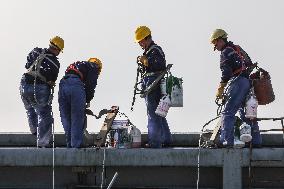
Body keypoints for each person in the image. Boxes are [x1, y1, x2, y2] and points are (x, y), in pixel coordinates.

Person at [210, 29, 262, 147]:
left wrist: (221, 88)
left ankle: (226, 141)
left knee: (228, 112)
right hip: (247, 82)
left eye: (215, 42)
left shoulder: (225, 52)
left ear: (221, 40)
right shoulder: (237, 49)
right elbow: (249, 64)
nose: (215, 46)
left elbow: (226, 73)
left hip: (237, 82)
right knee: (247, 113)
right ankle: (256, 142)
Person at [20, 36, 64, 147]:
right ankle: (43, 142)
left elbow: (27, 65)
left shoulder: (35, 51)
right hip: (39, 88)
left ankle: (34, 131)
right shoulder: (55, 63)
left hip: (24, 84)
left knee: (30, 109)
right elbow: (51, 80)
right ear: (57, 49)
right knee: (44, 114)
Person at [134, 25, 172, 148]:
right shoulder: (151, 51)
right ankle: (166, 140)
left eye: (140, 41)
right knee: (160, 113)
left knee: (153, 114)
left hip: (153, 84)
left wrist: (146, 61)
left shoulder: (155, 50)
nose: (140, 44)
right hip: (154, 83)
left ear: (146, 38)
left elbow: (159, 64)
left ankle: (155, 142)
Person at [58, 58, 102, 148]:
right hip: (76, 85)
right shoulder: (94, 67)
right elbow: (90, 85)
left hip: (63, 83)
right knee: (77, 117)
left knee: (66, 116)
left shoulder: (79, 64)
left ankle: (70, 144)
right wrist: (87, 99)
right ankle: (76, 145)